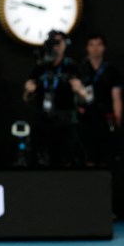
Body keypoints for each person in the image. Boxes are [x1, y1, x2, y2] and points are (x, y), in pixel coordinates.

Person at [23, 31, 88, 166]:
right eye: (53, 42)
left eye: (60, 42)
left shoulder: (72, 67)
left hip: (65, 120)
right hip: (43, 120)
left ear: (65, 44)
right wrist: (28, 91)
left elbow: (85, 97)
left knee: (65, 157)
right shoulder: (40, 67)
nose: (56, 46)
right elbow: (26, 98)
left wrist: (79, 91)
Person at [78, 34, 123, 167]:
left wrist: (117, 120)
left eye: (99, 45)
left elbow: (117, 97)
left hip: (105, 117)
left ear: (104, 48)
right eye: (92, 45)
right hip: (85, 118)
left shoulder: (112, 71)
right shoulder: (80, 69)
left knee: (106, 157)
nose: (95, 49)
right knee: (87, 155)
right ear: (87, 48)